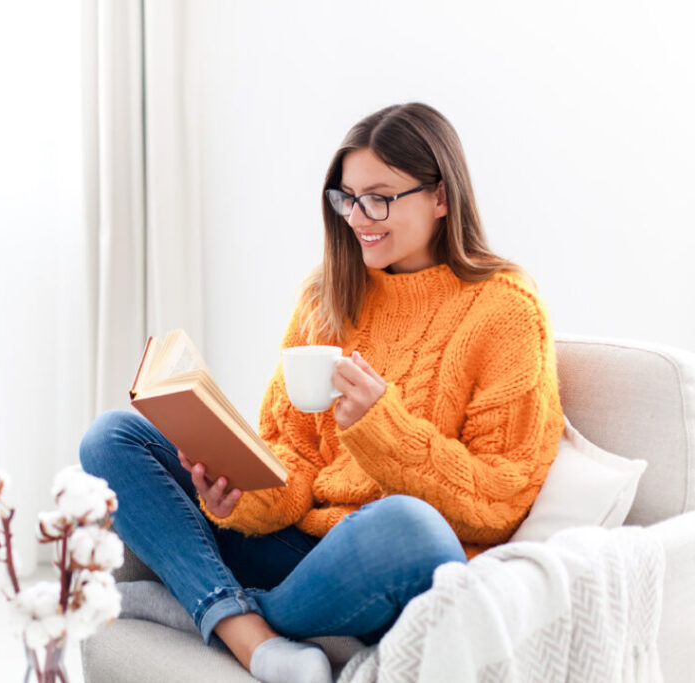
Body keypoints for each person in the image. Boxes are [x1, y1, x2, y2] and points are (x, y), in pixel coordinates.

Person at [79, 102, 564, 683]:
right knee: (111, 436)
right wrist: (238, 494)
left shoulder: (506, 311)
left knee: (408, 524)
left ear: (441, 197)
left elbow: (502, 502)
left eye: (379, 197)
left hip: (382, 560)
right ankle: (245, 630)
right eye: (347, 197)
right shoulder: (327, 294)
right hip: (290, 546)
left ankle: (213, 608)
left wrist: (383, 429)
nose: (359, 216)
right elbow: (295, 461)